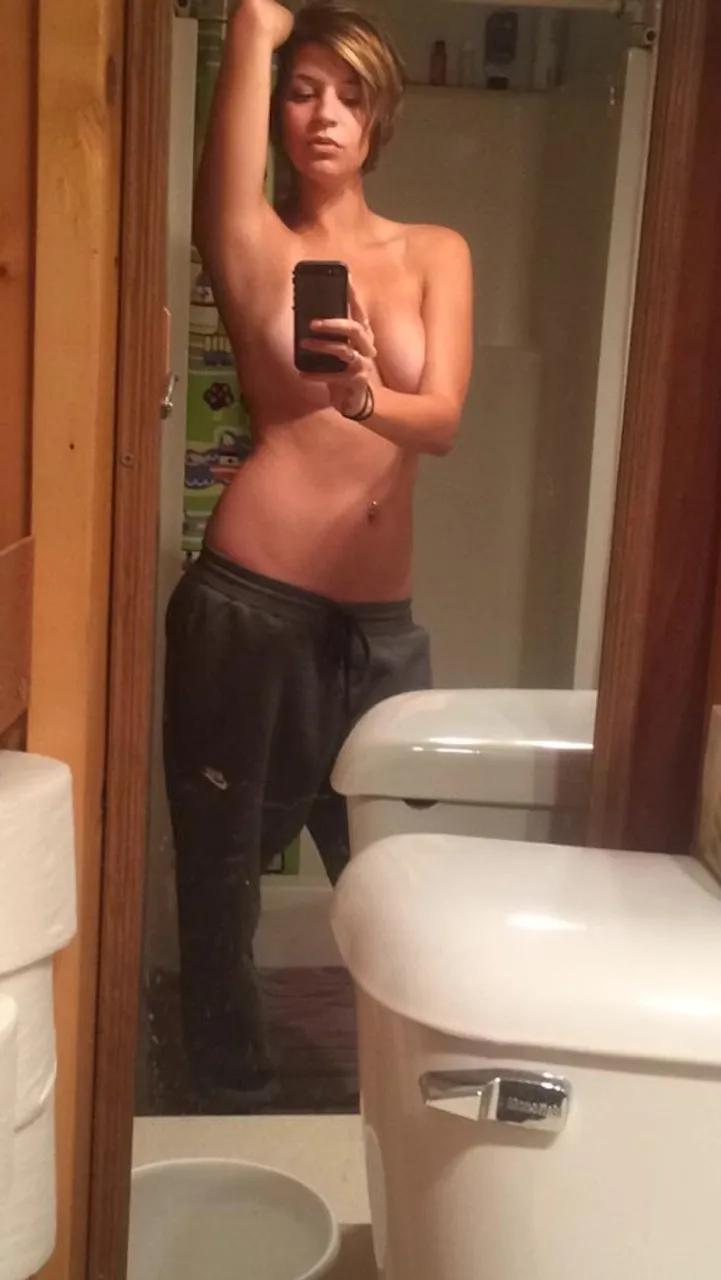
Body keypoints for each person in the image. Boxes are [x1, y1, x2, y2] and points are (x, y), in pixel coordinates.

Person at [163, 0, 473, 1108]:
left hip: (379, 636)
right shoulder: (256, 243)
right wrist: (260, 32)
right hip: (248, 604)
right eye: (301, 92)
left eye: (349, 93)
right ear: (274, 113)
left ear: (381, 113)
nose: (324, 114)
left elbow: (442, 421)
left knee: (403, 872)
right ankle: (230, 1099)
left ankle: (413, 1100)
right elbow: (254, 22)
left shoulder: (436, 252)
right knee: (221, 874)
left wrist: (365, 394)